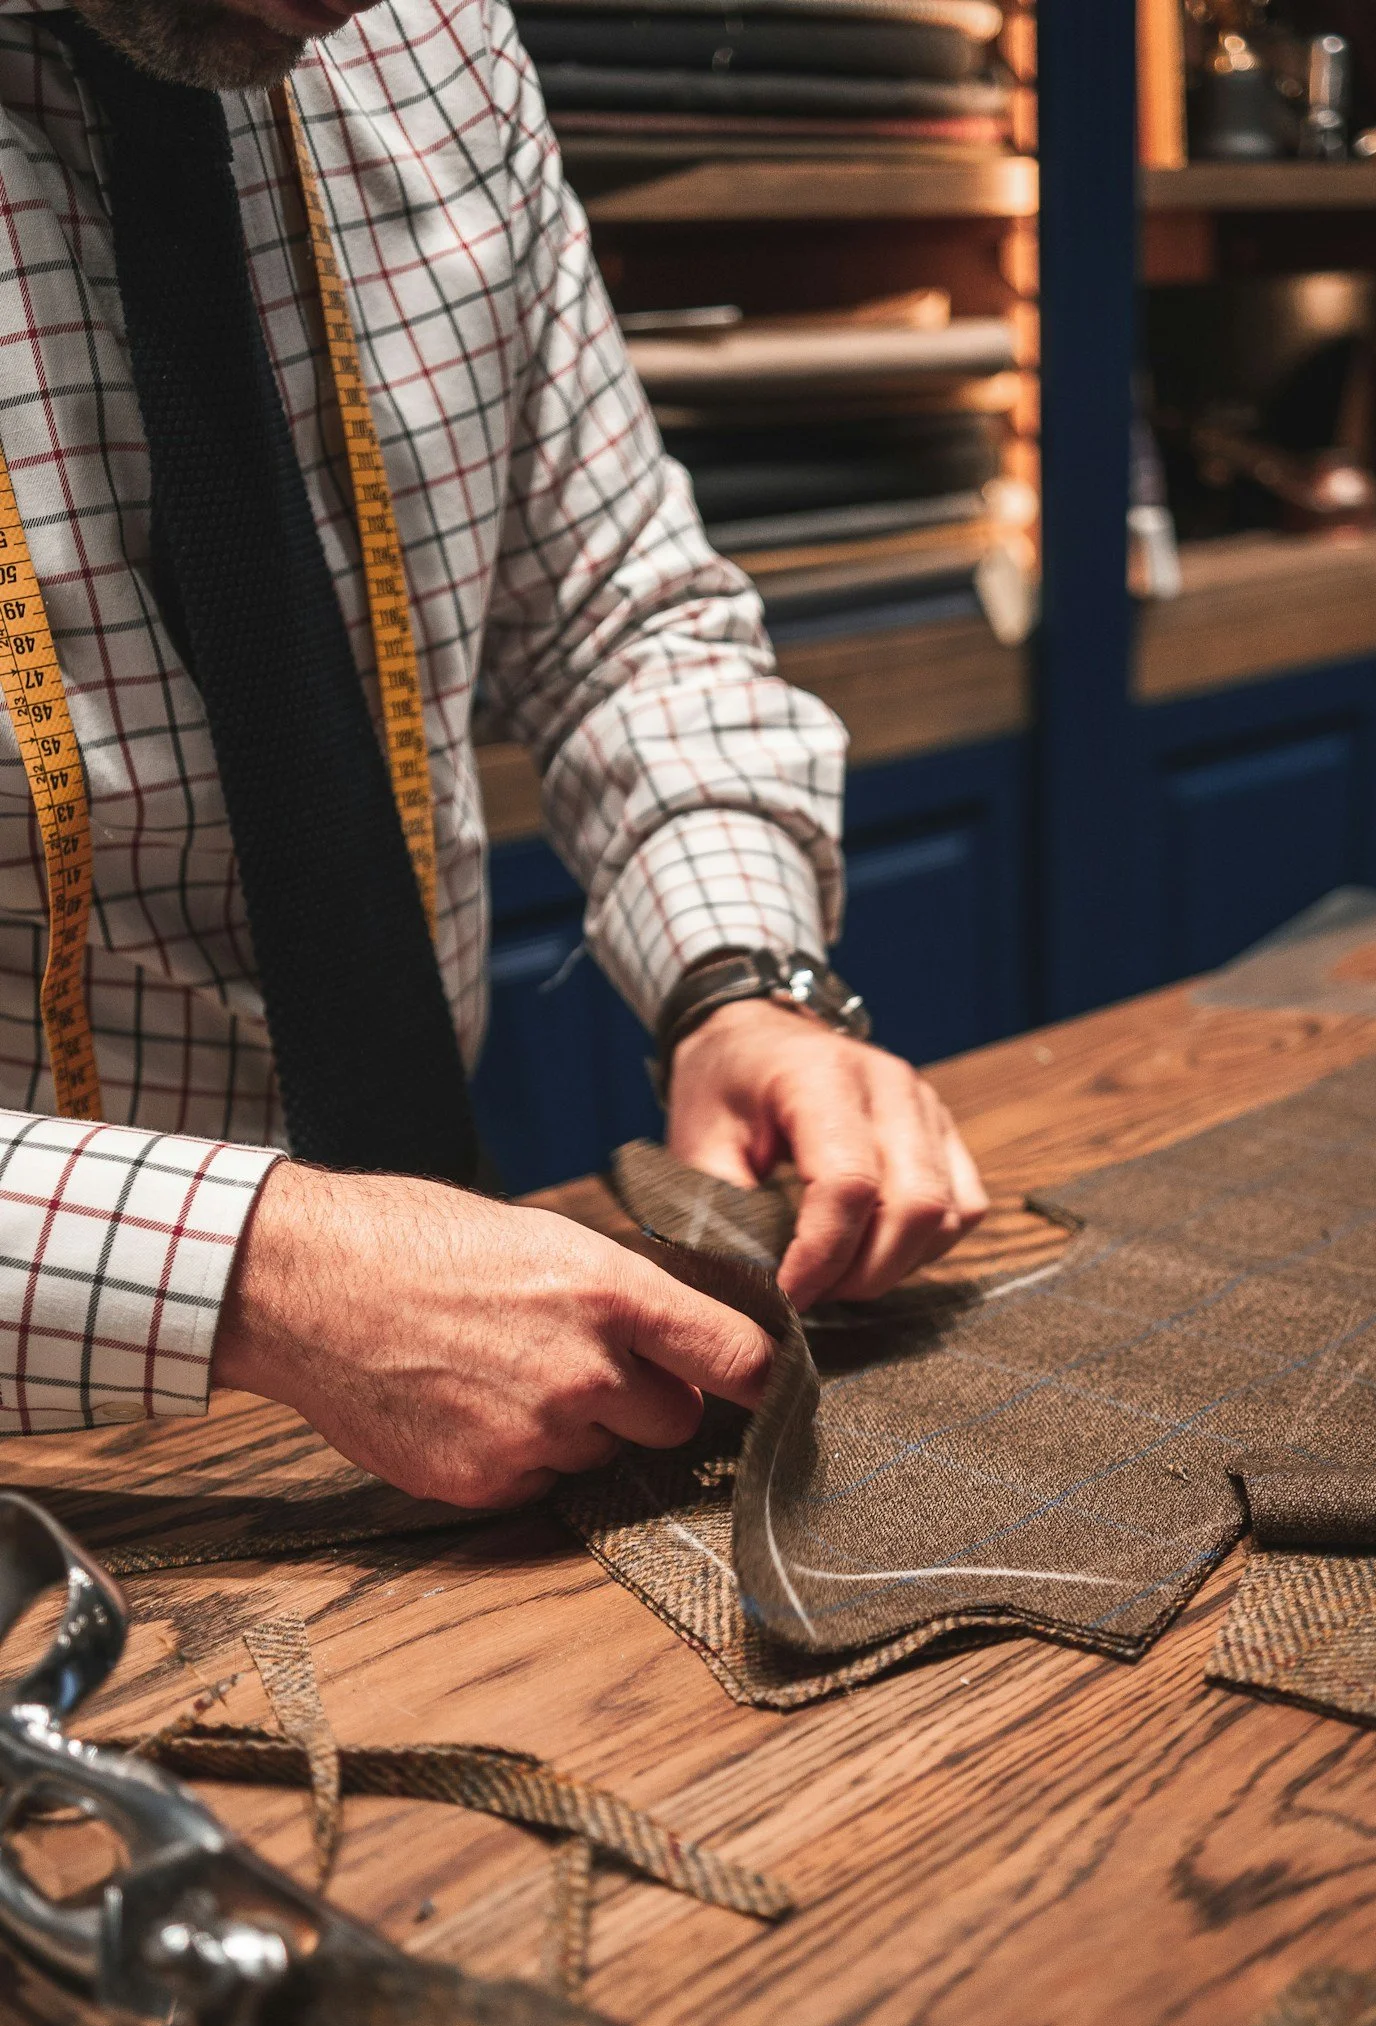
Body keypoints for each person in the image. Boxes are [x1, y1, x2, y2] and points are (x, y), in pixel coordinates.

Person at [0, 0, 988, 1504]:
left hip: (461, 1414)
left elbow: (615, 611)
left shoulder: (431, 41)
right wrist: (255, 1274)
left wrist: (742, 986)